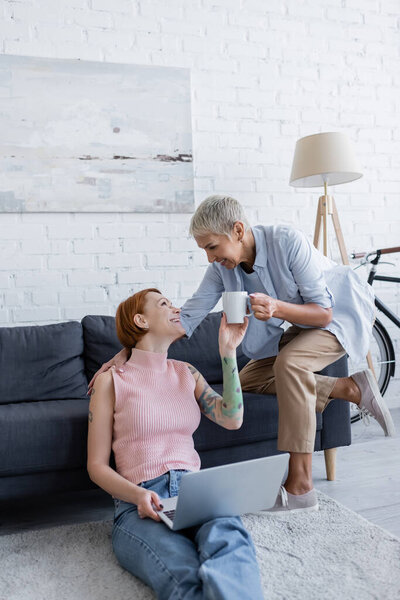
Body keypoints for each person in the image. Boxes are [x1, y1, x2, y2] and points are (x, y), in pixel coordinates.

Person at [89, 195, 395, 515]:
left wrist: (276, 307)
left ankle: (301, 485)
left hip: (335, 315)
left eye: (211, 247)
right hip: (297, 325)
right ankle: (348, 388)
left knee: (291, 364)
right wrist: (126, 353)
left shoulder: (286, 242)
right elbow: (189, 315)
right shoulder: (224, 269)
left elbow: (322, 311)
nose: (209, 258)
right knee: (248, 377)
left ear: (237, 230)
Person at [87, 287, 264, 600]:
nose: (177, 308)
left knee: (231, 542)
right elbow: (97, 466)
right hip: (139, 503)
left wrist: (228, 352)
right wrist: (139, 494)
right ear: (141, 320)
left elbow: (231, 418)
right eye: (164, 304)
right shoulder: (112, 379)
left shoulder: (187, 373)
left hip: (196, 491)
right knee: (181, 569)